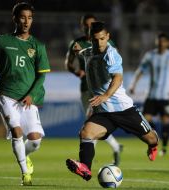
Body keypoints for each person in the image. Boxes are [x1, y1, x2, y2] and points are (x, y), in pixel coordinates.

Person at [66, 21, 159, 181]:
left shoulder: (111, 54)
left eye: (102, 39)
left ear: (107, 36)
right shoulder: (88, 52)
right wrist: (75, 52)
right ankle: (85, 168)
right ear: (90, 39)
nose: (100, 43)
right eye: (95, 40)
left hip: (123, 109)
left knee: (151, 138)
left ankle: (153, 145)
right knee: (86, 133)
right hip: (103, 112)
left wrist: (106, 95)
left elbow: (117, 77)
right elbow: (81, 53)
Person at [0, 2, 50, 186]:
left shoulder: (38, 46)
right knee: (17, 132)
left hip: (28, 99)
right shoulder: (2, 41)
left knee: (35, 141)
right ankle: (25, 174)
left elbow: (42, 77)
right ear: (15, 19)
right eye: (23, 17)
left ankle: (24, 156)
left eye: (30, 18)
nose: (26, 21)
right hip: (7, 95)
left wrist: (32, 94)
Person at [65, 14, 123, 166]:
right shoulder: (76, 43)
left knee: (91, 122)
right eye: (86, 25)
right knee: (92, 123)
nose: (88, 28)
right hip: (86, 87)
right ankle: (116, 147)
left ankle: (86, 162)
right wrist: (77, 71)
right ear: (82, 26)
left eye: (91, 25)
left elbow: (114, 62)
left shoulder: (106, 42)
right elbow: (68, 63)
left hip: (103, 89)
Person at [129, 32, 169, 156]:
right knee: (146, 120)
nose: (161, 43)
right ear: (156, 42)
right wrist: (133, 84)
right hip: (151, 95)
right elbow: (140, 70)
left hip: (166, 96)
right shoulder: (150, 55)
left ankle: (164, 147)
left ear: (167, 43)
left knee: (166, 122)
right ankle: (154, 141)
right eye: (159, 41)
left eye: (163, 41)